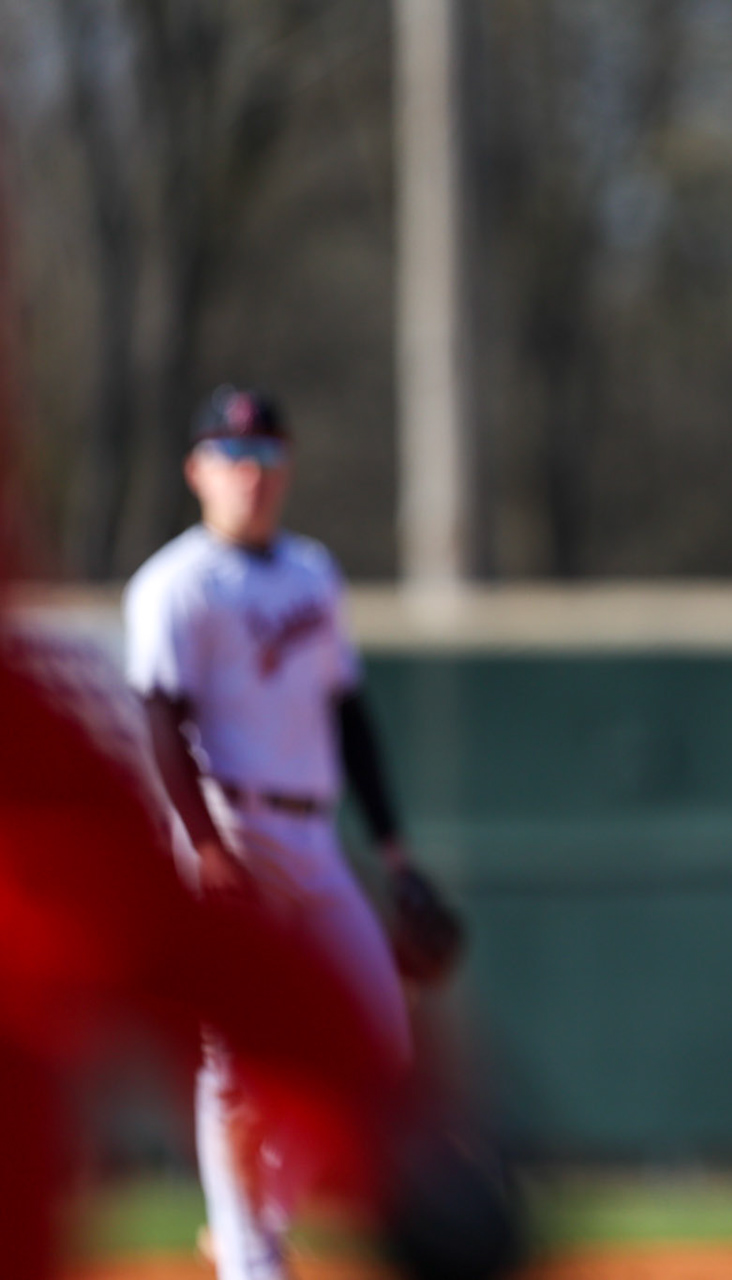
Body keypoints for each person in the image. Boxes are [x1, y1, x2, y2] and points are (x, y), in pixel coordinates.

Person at [125, 386, 423, 1280]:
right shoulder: (175, 583)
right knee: (230, 1061)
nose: (250, 477)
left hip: (314, 832)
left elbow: (350, 717)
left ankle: (256, 1220)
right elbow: (157, 718)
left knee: (378, 1042)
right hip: (226, 823)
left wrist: (398, 855)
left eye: (265, 459)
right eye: (232, 458)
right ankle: (250, 1257)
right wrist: (205, 847)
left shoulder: (313, 574)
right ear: (198, 471)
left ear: (286, 469)